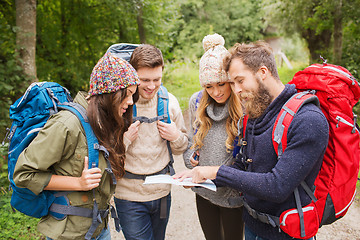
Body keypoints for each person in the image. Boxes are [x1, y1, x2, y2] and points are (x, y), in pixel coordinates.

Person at [174, 41, 329, 240]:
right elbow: (242, 167)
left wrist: (216, 171)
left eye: (239, 80)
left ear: (262, 72)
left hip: (285, 233)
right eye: (232, 83)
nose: (236, 90)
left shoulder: (308, 120)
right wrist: (200, 176)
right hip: (253, 225)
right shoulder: (256, 112)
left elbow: (277, 186)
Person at [13, 52, 140, 240]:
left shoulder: (105, 121)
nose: (130, 102)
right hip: (69, 234)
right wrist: (78, 183)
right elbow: (23, 175)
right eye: (127, 94)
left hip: (100, 229)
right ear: (110, 92)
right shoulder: (66, 124)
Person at [113, 44, 188, 240]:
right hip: (129, 197)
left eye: (157, 79)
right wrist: (125, 140)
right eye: (144, 80)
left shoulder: (168, 102)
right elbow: (107, 156)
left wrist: (176, 137)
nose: (152, 86)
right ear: (132, 75)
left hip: (162, 194)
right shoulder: (120, 105)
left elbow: (181, 148)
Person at [183, 33, 244, 240]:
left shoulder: (244, 106)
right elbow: (192, 144)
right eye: (209, 87)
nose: (216, 92)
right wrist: (192, 160)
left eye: (221, 84)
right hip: (204, 192)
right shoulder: (196, 102)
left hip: (234, 194)